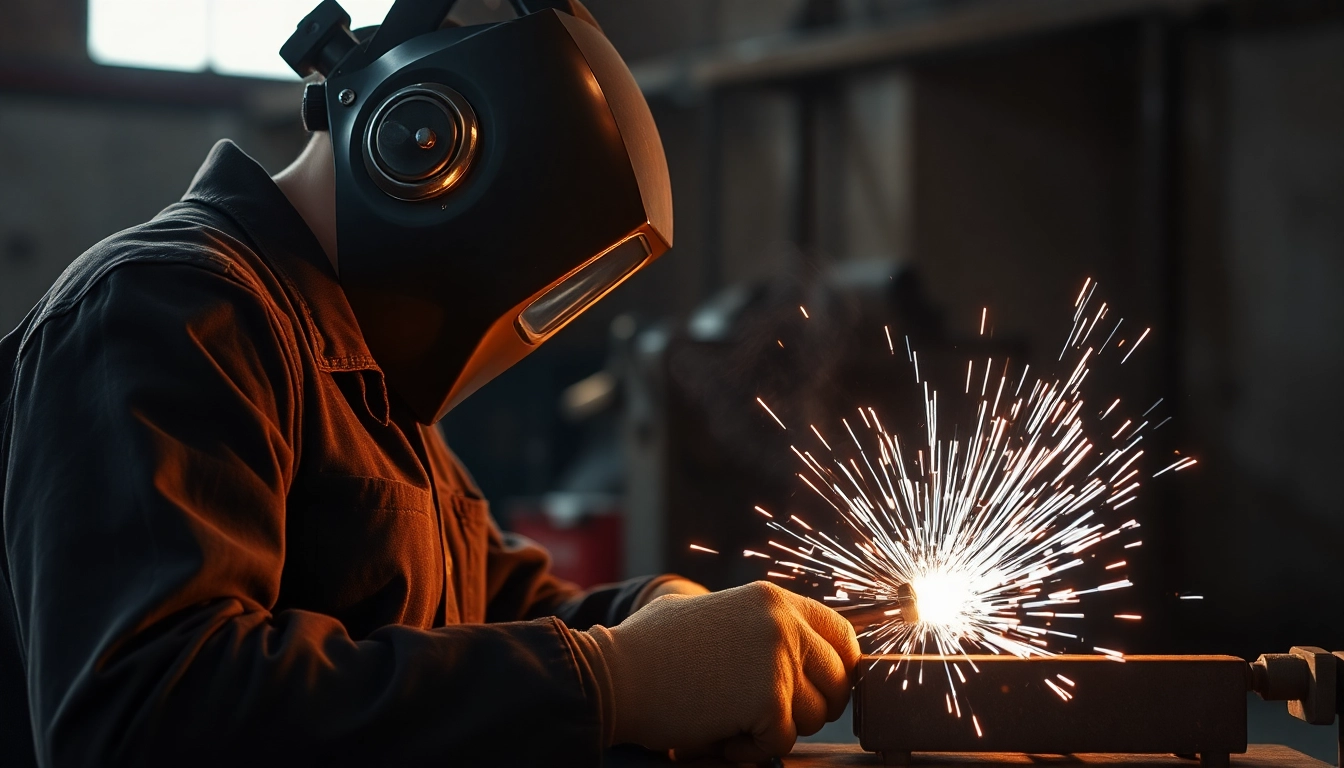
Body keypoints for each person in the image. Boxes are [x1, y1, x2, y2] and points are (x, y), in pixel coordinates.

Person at [0, 3, 859, 766]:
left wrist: (652, 614)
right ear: (421, 143)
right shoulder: (166, 311)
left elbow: (496, 603)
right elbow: (147, 717)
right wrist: (611, 679)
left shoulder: (362, 370)